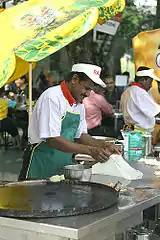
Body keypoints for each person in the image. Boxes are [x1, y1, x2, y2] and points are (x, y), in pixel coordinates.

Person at [19, 63, 121, 180]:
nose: (88, 94)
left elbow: (80, 136)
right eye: (86, 88)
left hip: (62, 166)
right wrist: (90, 150)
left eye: (91, 90)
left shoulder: (79, 104)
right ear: (74, 80)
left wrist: (104, 145)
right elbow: (53, 140)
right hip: (40, 164)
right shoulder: (52, 97)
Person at [120, 66, 160, 132]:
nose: (151, 86)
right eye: (150, 82)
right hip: (139, 133)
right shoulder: (139, 92)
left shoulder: (127, 91)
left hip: (130, 129)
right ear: (143, 80)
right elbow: (156, 112)